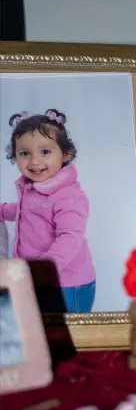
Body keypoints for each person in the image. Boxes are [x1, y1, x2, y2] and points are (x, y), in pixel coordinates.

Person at [0, 109, 96, 312]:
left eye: (45, 152)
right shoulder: (31, 188)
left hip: (67, 283)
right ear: (14, 155)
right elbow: (26, 212)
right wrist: (3, 211)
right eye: (25, 153)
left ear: (66, 154)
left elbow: (70, 237)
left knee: (69, 333)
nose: (34, 161)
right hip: (38, 279)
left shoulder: (69, 196)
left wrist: (44, 270)